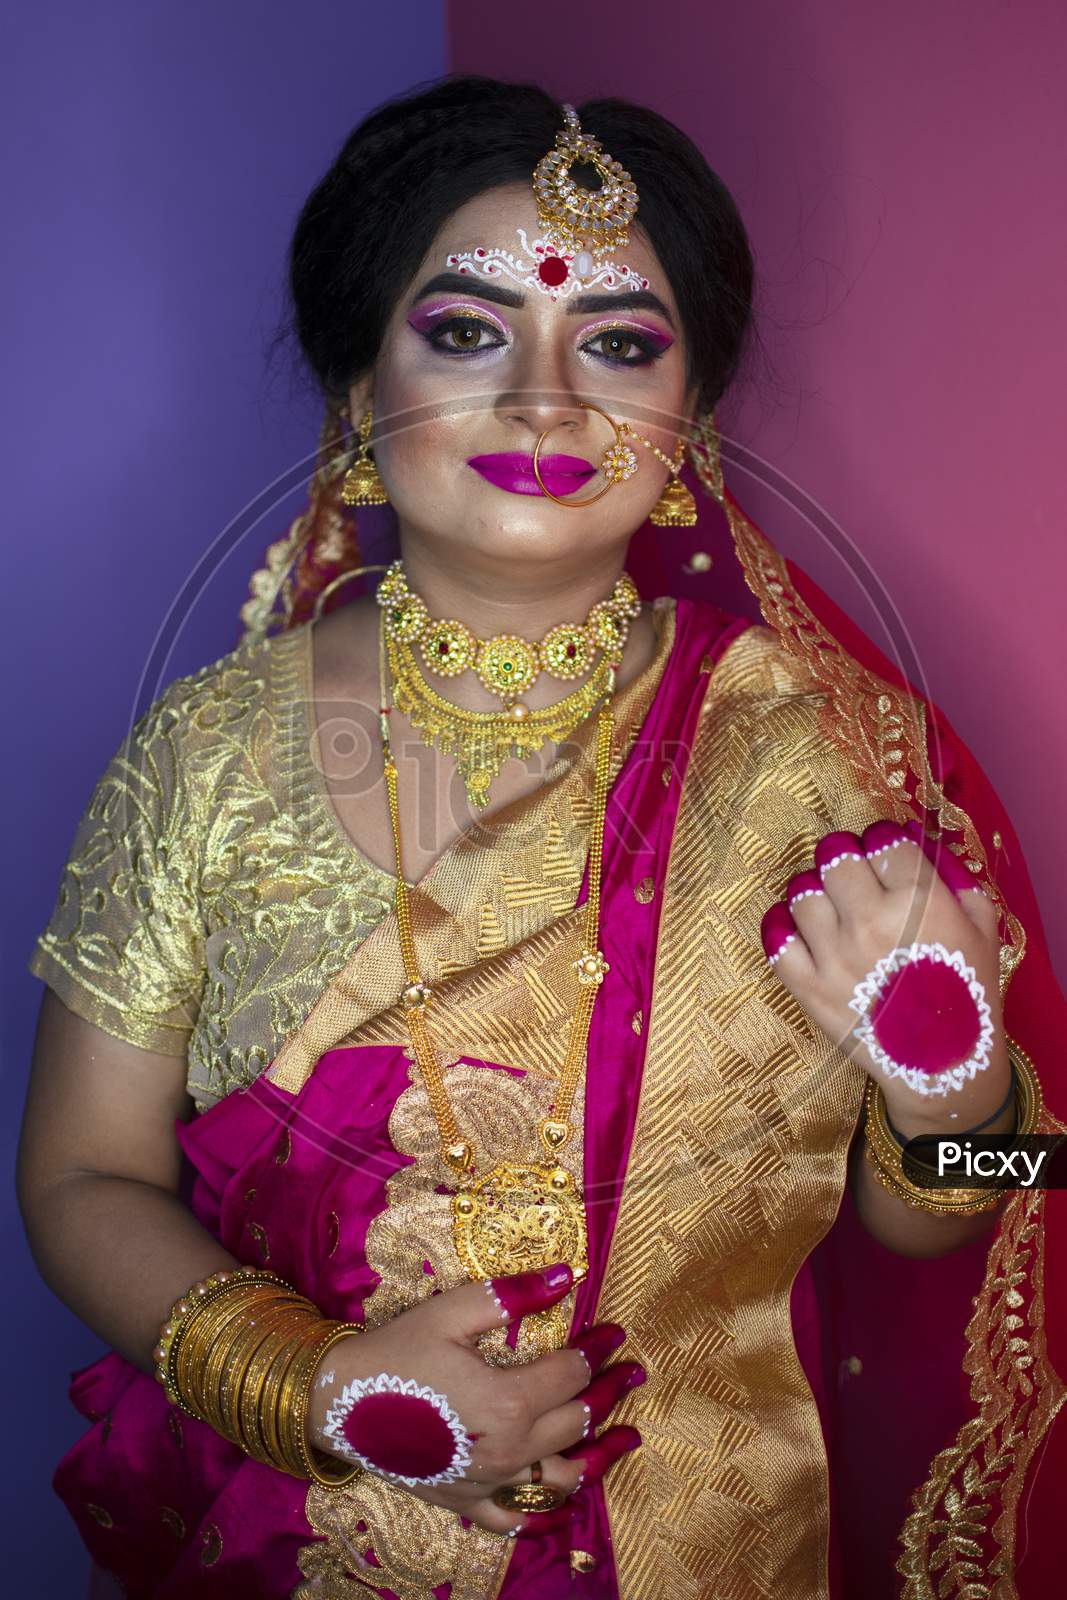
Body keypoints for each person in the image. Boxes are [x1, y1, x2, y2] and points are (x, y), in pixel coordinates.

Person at [16, 75, 1066, 1600]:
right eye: (463, 332)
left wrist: (955, 1086)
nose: (545, 400)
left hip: (706, 1550)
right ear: (358, 392)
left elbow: (952, 1206)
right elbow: (78, 1177)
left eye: (621, 346)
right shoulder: (205, 757)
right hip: (302, 1550)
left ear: (689, 423)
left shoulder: (820, 758)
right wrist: (319, 1389)